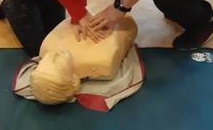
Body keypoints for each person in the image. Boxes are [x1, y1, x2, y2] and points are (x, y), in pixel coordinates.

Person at [13, 14, 143, 111]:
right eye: (58, 64)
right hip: (119, 19)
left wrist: (78, 11)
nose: (54, 54)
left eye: (44, 60)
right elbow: (126, 23)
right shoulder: (101, 60)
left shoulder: (46, 47)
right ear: (74, 81)